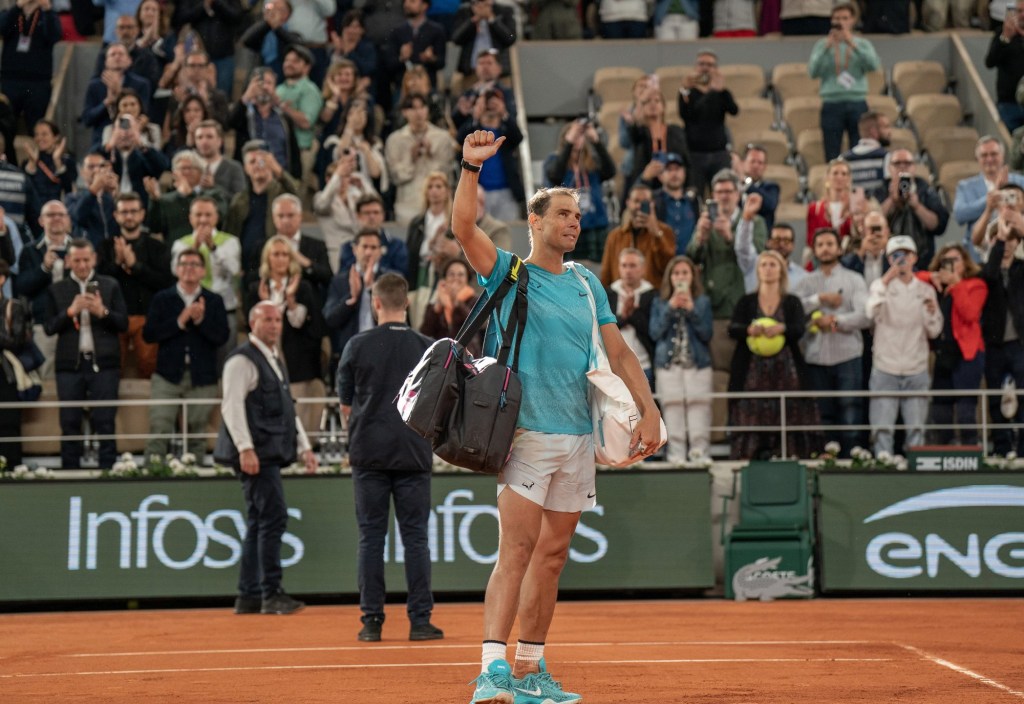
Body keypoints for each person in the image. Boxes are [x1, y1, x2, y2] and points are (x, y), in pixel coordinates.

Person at [454, 130, 663, 704]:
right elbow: (464, 230)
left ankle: (531, 672)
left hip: (576, 436)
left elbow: (618, 354)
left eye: (576, 215)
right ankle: (492, 671)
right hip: (522, 432)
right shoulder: (508, 272)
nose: (573, 222)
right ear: (535, 223)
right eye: (563, 214)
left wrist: (648, 410)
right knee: (516, 551)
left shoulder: (587, 282)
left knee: (551, 556)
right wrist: (470, 168)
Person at [337, 272, 442, 642]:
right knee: (415, 538)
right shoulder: (428, 347)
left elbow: (346, 405)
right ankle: (420, 621)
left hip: (368, 453)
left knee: (370, 537)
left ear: (375, 302)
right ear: (407, 302)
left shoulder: (356, 345)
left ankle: (371, 622)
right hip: (413, 452)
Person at [214, 300, 318, 616]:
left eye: (277, 320)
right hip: (255, 454)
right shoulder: (241, 361)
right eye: (267, 320)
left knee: (260, 520)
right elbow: (230, 407)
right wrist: (245, 448)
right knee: (273, 518)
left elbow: (288, 406)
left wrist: (304, 446)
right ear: (252, 323)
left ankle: (248, 595)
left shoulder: (273, 359)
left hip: (266, 453)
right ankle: (270, 593)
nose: (274, 325)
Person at [43, 238, 129, 469]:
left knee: (105, 420)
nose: (82, 265)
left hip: (105, 364)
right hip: (69, 365)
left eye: (86, 259)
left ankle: (108, 472)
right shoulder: (57, 289)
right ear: (69, 261)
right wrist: (70, 312)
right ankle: (70, 472)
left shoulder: (109, 285)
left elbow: (123, 324)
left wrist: (103, 312)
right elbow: (49, 327)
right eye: (77, 260)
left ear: (94, 259)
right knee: (69, 421)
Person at [728, 250, 821, 460]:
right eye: (764, 265)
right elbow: (732, 329)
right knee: (753, 413)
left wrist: (783, 329)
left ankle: (789, 456)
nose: (768, 269)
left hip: (786, 370)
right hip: (752, 372)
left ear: (781, 270)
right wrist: (748, 330)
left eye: (773, 265)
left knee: (787, 413)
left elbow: (799, 329)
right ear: (758, 270)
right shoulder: (747, 301)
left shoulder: (792, 301)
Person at [143, 247, 230, 460]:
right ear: (176, 269)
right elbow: (149, 334)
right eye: (184, 264)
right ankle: (153, 476)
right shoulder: (162, 298)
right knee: (160, 427)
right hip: (167, 375)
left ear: (203, 271)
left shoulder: (214, 300)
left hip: (203, 376)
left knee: (197, 432)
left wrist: (200, 321)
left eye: (194, 264)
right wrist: (179, 321)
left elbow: (222, 337)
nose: (189, 269)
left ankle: (196, 477)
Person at [791, 228, 870, 456]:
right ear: (814, 250)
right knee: (821, 409)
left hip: (847, 353)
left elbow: (865, 315)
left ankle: (851, 457)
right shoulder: (806, 282)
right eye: (820, 245)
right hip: (815, 354)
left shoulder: (853, 279)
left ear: (839, 248)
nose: (825, 248)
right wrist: (820, 299)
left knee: (850, 406)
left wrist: (835, 321)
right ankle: (826, 456)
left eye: (829, 244)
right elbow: (793, 310)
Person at [865, 235, 943, 456]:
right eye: (895, 256)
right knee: (882, 428)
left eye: (905, 255)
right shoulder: (879, 286)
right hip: (885, 367)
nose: (901, 260)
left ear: (914, 258)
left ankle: (915, 467)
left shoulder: (926, 290)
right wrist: (885, 282)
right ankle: (883, 463)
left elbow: (935, 330)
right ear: (888, 259)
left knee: (917, 428)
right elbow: (870, 313)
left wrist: (931, 313)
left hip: (916, 367)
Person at [246, 235, 327, 436]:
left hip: (297, 357)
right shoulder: (256, 288)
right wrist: (266, 303)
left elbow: (308, 324)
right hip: (264, 355)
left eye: (285, 254)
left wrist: (291, 303)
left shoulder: (304, 288)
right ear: (268, 258)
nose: (281, 259)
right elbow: (252, 325)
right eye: (276, 254)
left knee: (297, 409)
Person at [688, 169, 767, 371]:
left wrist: (730, 237)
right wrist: (700, 238)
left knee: (746, 370)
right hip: (716, 307)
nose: (724, 196)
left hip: (745, 301)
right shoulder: (705, 222)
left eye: (728, 191)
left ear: (738, 194)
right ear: (713, 196)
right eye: (719, 192)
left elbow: (758, 257)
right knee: (720, 371)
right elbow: (689, 259)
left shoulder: (754, 222)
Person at [97, 192, 175, 379]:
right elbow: (99, 282)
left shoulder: (157, 247)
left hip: (147, 316)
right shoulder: (105, 246)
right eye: (124, 212)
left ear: (142, 214)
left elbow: (165, 282)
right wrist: (117, 262)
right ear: (116, 215)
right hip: (114, 317)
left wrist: (135, 266)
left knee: (149, 367)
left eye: (134, 211)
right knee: (112, 369)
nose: (129, 216)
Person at [921, 244, 987, 445]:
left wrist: (956, 284)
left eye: (955, 260)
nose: (950, 265)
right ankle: (944, 448)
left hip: (968, 353)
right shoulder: (935, 285)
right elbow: (914, 276)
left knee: (966, 407)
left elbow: (970, 314)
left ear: (965, 263)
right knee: (940, 407)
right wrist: (932, 277)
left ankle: (970, 449)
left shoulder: (976, 285)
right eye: (945, 261)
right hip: (943, 353)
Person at [650, 255, 713, 464]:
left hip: (698, 364)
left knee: (699, 407)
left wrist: (692, 311)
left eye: (685, 273)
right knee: (672, 407)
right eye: (677, 273)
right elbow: (655, 332)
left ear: (692, 277)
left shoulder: (702, 301)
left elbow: (706, 334)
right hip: (668, 366)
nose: (680, 277)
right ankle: (676, 454)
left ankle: (699, 452)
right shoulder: (660, 301)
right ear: (670, 277)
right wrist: (670, 308)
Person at [171, 195, 243, 366]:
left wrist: (213, 247)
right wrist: (194, 248)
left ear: (216, 217)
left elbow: (234, 270)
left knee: (227, 356)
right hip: (191, 308)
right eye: (198, 215)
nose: (203, 220)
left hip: (224, 307)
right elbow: (175, 271)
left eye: (208, 215)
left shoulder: (230, 241)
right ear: (190, 218)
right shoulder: (181, 244)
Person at [807, 3, 881, 161]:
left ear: (852, 20)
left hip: (857, 102)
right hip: (831, 103)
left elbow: (873, 65)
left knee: (860, 151)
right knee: (832, 153)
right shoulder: (821, 45)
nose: (841, 22)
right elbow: (813, 72)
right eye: (837, 19)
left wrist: (851, 43)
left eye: (845, 18)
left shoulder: (862, 44)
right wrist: (827, 47)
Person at [224, 141, 301, 287]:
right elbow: (231, 233)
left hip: (278, 262)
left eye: (262, 161)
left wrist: (279, 171)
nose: (258, 166)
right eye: (252, 162)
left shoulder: (281, 191)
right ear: (246, 168)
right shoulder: (239, 199)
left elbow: (298, 194)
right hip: (247, 265)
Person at [980, 213, 1024, 456]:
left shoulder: (1021, 268)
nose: (1006, 244)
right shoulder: (988, 271)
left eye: (1010, 239)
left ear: (1017, 242)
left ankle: (1023, 450)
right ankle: (1000, 447)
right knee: (996, 397)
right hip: (994, 344)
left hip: (1019, 343)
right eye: (1000, 239)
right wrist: (998, 241)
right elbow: (988, 276)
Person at [543, 119, 615, 265]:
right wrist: (569, 143)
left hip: (596, 225)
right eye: (573, 135)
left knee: (598, 267)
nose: (577, 138)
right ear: (565, 138)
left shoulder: (592, 162)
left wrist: (596, 141)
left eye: (580, 135)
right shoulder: (555, 160)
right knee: (570, 268)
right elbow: (554, 175)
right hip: (569, 225)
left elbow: (610, 171)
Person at [324, 228, 403, 358]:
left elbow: (398, 317)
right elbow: (330, 319)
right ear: (355, 249)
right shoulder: (340, 281)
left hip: (385, 352)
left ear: (380, 251)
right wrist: (352, 298)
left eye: (373, 248)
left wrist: (371, 289)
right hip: (351, 353)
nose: (368, 252)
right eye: (364, 246)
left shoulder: (392, 280)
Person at [15, 200, 70, 379]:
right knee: (46, 376)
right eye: (50, 215)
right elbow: (22, 287)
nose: (56, 219)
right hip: (43, 323)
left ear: (67, 219)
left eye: (60, 214)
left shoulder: (80, 248)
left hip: (74, 322)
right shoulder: (30, 251)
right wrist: (44, 268)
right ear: (40, 220)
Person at [385, 93, 457, 225]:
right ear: (404, 112)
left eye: (422, 107)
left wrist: (431, 155)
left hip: (439, 204)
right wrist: (411, 159)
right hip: (407, 206)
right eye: (412, 108)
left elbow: (446, 175)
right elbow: (396, 177)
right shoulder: (394, 140)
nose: (418, 113)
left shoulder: (442, 138)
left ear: (427, 109)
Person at [456, 88, 524, 222]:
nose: (489, 106)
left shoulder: (505, 129)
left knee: (507, 232)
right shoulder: (473, 131)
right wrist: (475, 116)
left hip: (506, 192)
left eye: (494, 102)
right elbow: (460, 140)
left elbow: (518, 137)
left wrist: (504, 113)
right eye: (485, 103)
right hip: (478, 191)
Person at [872, 148, 949, 268]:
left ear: (914, 167)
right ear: (889, 168)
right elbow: (871, 222)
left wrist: (917, 206)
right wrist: (892, 200)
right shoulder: (880, 190)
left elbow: (938, 226)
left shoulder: (926, 189)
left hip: (922, 258)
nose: (902, 167)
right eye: (897, 163)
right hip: (887, 259)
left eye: (907, 163)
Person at [953, 135, 1024, 262]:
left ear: (1002, 156)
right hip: (979, 254)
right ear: (977, 159)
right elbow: (959, 215)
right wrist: (990, 199)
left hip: (1018, 251)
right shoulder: (965, 186)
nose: (989, 159)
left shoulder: (1020, 182)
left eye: (994, 154)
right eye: (984, 155)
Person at [678, 51, 738, 197]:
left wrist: (721, 91)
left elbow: (734, 110)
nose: (705, 68)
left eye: (710, 65)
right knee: (695, 196)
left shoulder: (722, 92)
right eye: (702, 64)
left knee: (722, 194)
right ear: (695, 67)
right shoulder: (688, 92)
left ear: (716, 68)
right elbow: (687, 114)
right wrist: (688, 90)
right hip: (695, 154)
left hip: (719, 153)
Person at [228, 68, 302, 180]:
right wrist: (247, 96)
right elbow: (230, 123)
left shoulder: (283, 118)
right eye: (260, 83)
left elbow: (293, 152)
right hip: (249, 178)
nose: (264, 87)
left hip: (279, 177)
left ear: (274, 87)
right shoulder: (244, 114)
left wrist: (294, 179)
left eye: (269, 83)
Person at [0, 0, 62, 132]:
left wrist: (47, 8)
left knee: (36, 125)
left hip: (38, 82)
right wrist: (18, 6)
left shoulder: (47, 15)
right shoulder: (11, 13)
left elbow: (54, 35)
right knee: (4, 124)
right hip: (10, 79)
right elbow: (2, 27)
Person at [405, 171, 458, 328]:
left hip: (444, 275)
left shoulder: (454, 221)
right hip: (420, 275)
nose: (434, 191)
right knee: (419, 316)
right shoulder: (417, 222)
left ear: (447, 191)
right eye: (430, 187)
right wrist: (432, 243)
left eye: (438, 186)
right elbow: (411, 252)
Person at [600, 184, 676, 288]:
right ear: (628, 203)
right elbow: (606, 274)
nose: (639, 206)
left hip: (653, 298)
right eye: (636, 201)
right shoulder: (615, 236)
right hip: (620, 298)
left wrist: (657, 234)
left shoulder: (665, 231)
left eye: (644, 202)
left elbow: (668, 269)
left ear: (652, 204)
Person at [144, 150, 228, 243]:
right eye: (182, 169)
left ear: (201, 172)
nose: (186, 172)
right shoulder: (166, 199)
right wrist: (154, 200)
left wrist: (190, 194)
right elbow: (155, 228)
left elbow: (220, 218)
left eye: (190, 168)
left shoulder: (214, 195)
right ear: (174, 174)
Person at [81, 43, 153, 148]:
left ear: (129, 60)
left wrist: (120, 93)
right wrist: (107, 102)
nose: (117, 57)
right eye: (113, 54)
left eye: (121, 54)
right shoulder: (94, 85)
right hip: (101, 140)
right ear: (105, 61)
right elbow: (87, 119)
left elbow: (143, 113)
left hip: (134, 138)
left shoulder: (141, 84)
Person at [379, 0, 447, 105]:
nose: (406, 4)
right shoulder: (397, 32)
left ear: (424, 6)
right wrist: (402, 58)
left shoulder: (437, 31)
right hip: (402, 87)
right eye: (405, 1)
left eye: (412, 1)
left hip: (428, 87)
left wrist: (431, 58)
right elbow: (389, 64)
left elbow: (441, 63)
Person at [606, 248, 657, 386]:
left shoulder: (652, 295)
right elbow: (604, 330)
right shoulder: (608, 294)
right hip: (613, 366)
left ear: (642, 269)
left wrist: (632, 313)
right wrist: (624, 316)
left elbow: (653, 332)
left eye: (633, 265)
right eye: (624, 265)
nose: (628, 270)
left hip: (644, 364)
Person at [0, 259, 30, 467]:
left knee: (8, 423)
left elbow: (16, 341)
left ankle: (11, 469)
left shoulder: (14, 307)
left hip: (5, 373)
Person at [985, 1, 1024, 133]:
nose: (1022, 15)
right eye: (1019, 11)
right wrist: (1005, 38)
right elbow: (990, 62)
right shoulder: (1002, 34)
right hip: (1008, 104)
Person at [807, 159, 855, 262]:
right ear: (828, 177)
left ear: (849, 178)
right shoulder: (815, 208)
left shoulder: (855, 207)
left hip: (849, 256)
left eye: (844, 174)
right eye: (835, 173)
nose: (839, 177)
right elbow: (810, 239)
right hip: (821, 257)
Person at [451, 0, 516, 77]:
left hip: (499, 73)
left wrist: (492, 20)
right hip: (470, 71)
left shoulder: (504, 10)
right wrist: (473, 21)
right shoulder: (465, 11)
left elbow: (510, 38)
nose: (481, 5)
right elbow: (456, 39)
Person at [22, 120, 77, 206]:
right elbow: (25, 190)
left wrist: (57, 161)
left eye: (44, 134)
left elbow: (69, 190)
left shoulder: (67, 161)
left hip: (58, 211)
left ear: (56, 137)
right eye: (36, 134)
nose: (39, 138)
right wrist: (32, 163)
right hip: (35, 212)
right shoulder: (28, 162)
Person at [743, 223, 806, 293]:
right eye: (777, 240)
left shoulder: (803, 276)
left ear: (792, 245)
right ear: (768, 242)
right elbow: (742, 246)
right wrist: (746, 219)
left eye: (786, 241)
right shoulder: (753, 264)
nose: (781, 244)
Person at [841, 110, 892, 192]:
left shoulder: (843, 159)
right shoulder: (887, 157)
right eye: (886, 127)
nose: (890, 132)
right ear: (873, 131)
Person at [193, 120, 246, 196]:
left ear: (220, 141)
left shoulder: (234, 168)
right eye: (199, 137)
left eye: (209, 137)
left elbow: (239, 201)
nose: (204, 141)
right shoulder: (190, 167)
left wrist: (215, 187)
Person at [737, 144, 780, 231]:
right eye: (752, 161)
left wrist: (746, 184)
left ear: (765, 167)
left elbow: (770, 205)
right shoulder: (734, 188)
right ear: (743, 163)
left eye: (760, 163)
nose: (756, 166)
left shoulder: (771, 187)